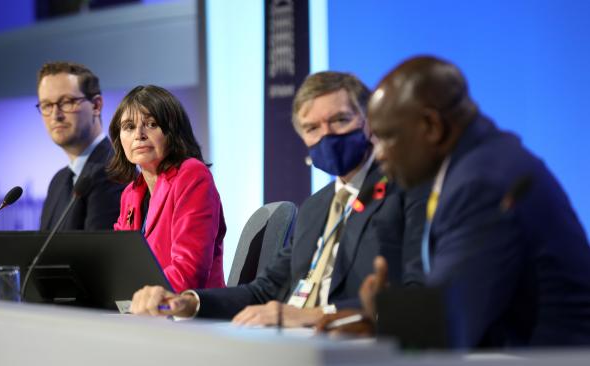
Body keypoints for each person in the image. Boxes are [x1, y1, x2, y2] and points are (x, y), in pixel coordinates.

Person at [320, 55, 590, 348]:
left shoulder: (481, 184)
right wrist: (378, 321)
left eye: (387, 138)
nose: (380, 154)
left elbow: (445, 327)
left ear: (431, 126)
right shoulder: (480, 164)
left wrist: (382, 310)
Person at [130, 72, 427, 327]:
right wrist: (186, 303)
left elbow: (418, 294)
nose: (327, 134)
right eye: (313, 128)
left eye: (340, 120)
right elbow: (265, 290)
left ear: (369, 122)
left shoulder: (410, 191)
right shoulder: (316, 207)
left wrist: (314, 316)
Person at [108, 85, 226, 293]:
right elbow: (118, 263)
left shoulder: (192, 176)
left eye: (151, 124)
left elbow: (188, 272)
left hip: (190, 313)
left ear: (173, 131)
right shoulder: (131, 193)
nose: (139, 135)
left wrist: (133, 295)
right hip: (144, 313)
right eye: (128, 127)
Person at [37, 62, 123, 231]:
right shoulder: (58, 181)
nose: (56, 115)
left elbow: (98, 254)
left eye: (67, 102)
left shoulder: (114, 172)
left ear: (96, 105)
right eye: (47, 105)